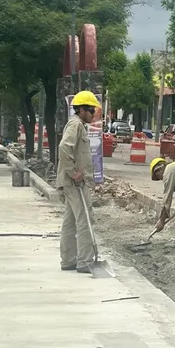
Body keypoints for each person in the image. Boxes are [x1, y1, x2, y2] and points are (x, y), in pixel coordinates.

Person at [56, 90, 100, 273]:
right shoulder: (75, 125)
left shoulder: (78, 125)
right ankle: (84, 261)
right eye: (91, 111)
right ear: (81, 110)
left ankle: (68, 260)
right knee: (84, 219)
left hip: (71, 182)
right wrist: (74, 173)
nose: (93, 114)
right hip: (74, 182)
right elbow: (64, 148)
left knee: (71, 221)